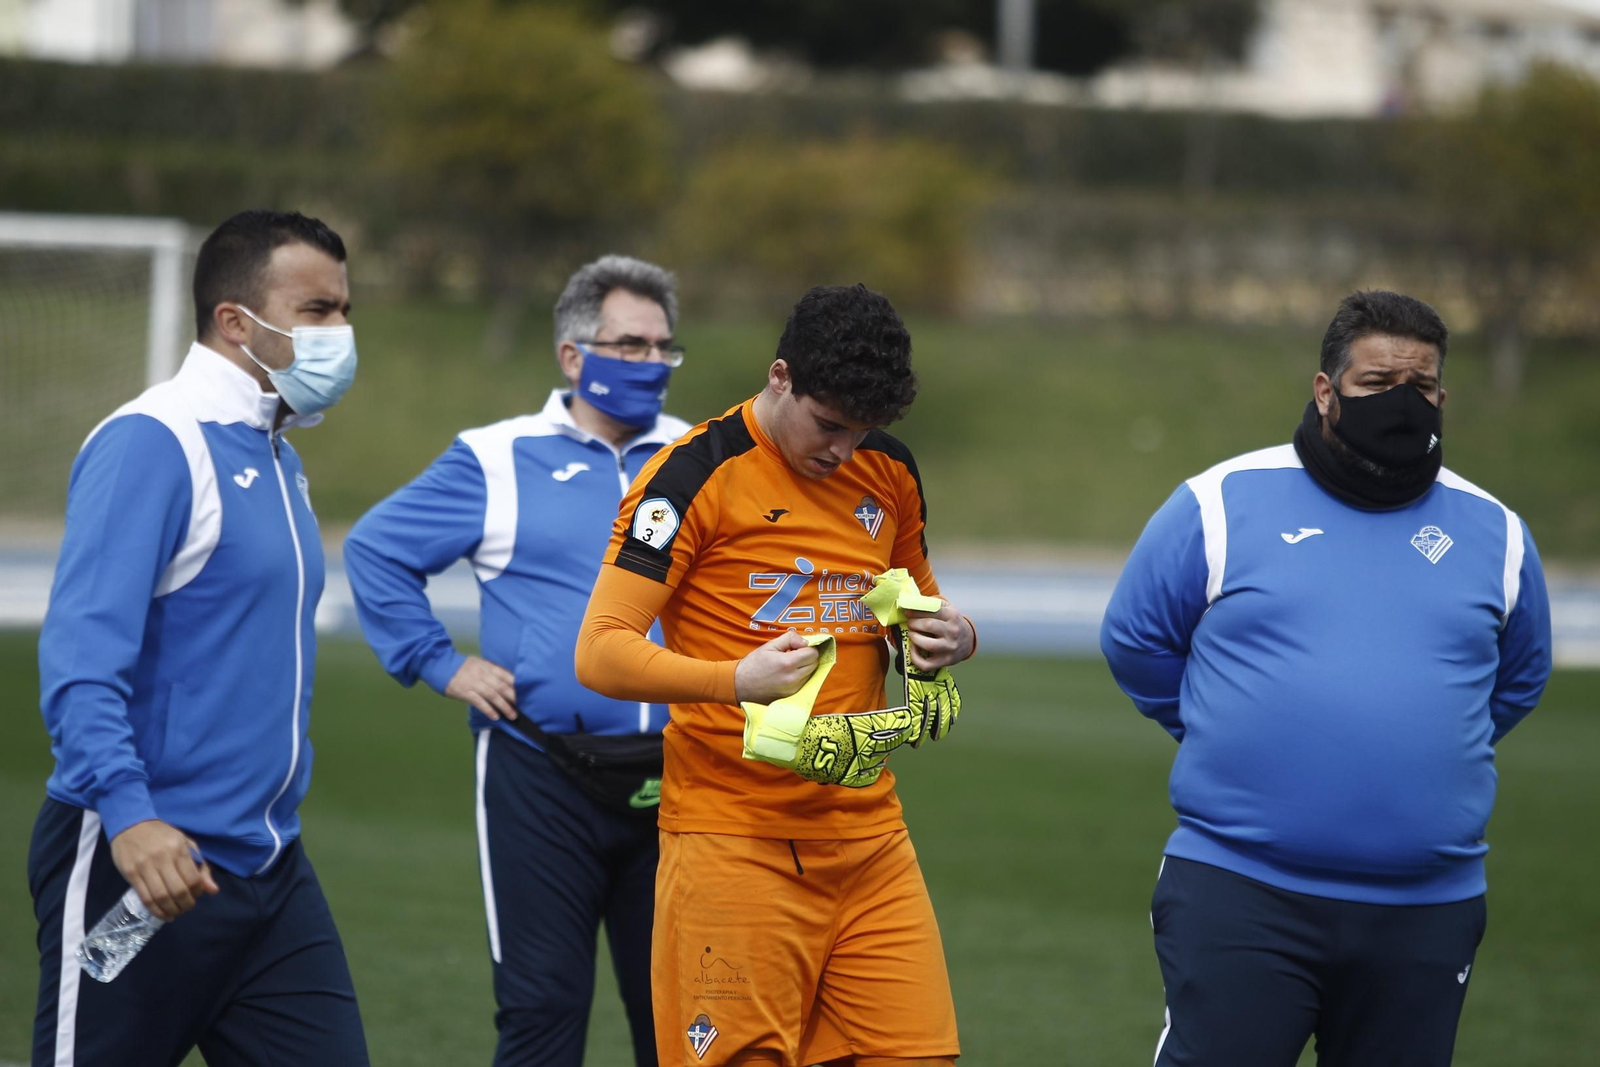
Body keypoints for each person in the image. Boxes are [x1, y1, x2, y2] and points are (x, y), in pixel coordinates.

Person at [1100, 289, 1553, 1067]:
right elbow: (1135, 639)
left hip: (1425, 909)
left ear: (1444, 396)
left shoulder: (1497, 532)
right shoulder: (1220, 502)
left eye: (1421, 386)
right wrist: (1225, 724)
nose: (1402, 402)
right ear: (1325, 389)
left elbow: (1514, 680)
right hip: (1242, 892)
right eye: (1378, 383)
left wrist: (1419, 745)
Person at [576, 283, 977, 1067]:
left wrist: (952, 636)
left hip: (869, 840)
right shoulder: (691, 476)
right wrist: (736, 679)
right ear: (781, 375)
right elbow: (600, 649)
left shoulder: (887, 470)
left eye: (865, 431)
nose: (844, 451)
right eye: (830, 425)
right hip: (734, 840)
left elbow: (915, 613)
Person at [29, 209, 368, 1066]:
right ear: (234, 320)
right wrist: (131, 820)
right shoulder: (153, 441)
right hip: (144, 867)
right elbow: (79, 662)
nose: (341, 332)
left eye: (344, 309)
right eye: (319, 310)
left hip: (268, 870)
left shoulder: (278, 452)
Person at [342, 255, 690, 1066]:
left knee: (684, 1024)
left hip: (683, 778)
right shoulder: (495, 456)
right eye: (630, 345)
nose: (652, 365)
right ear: (573, 355)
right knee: (542, 1011)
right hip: (541, 774)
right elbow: (376, 549)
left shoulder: (699, 456)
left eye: (664, 349)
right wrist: (439, 662)